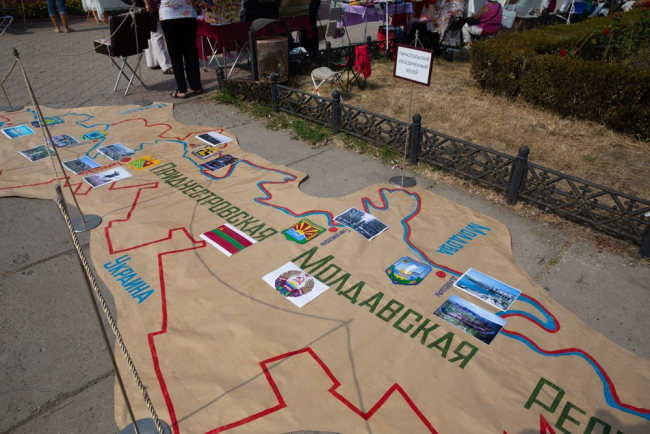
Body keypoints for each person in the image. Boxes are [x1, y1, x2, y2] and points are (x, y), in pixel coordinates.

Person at [145, 0, 203, 98]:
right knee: (191, 51)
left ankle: (181, 89)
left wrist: (148, 4)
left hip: (168, 14)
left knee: (175, 53)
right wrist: (196, 3)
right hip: (188, 14)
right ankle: (196, 86)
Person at [144, 0, 174, 75]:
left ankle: (154, 62)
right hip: (152, 6)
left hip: (150, 6)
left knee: (152, 34)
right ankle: (166, 65)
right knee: (156, 35)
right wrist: (148, 4)